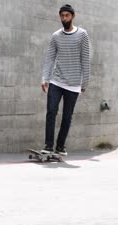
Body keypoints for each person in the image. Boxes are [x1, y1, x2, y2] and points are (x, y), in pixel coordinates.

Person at [41, 4, 90, 156]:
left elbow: (85, 59)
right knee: (51, 112)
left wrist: (85, 82)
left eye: (67, 15)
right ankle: (48, 145)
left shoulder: (82, 34)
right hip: (56, 80)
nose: (64, 18)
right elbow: (50, 58)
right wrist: (45, 78)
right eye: (62, 16)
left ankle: (60, 146)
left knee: (67, 117)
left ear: (73, 16)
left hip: (74, 83)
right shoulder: (56, 36)